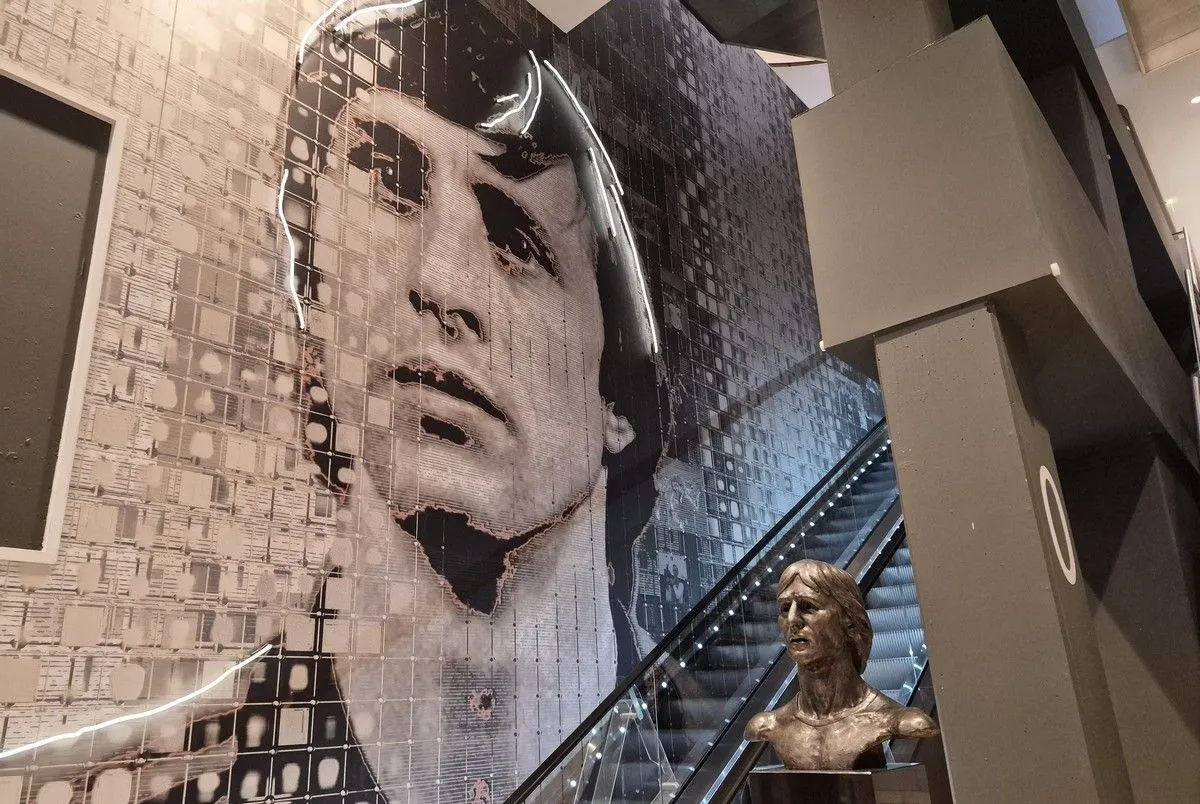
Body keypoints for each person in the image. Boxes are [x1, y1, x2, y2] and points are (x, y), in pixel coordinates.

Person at [156, 1, 669, 802]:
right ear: (314, 301)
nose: (441, 282)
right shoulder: (187, 781)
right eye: (392, 186)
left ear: (618, 399)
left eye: (516, 239)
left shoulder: (683, 750)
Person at [744, 559, 938, 770]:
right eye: (784, 608)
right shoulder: (769, 725)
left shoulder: (897, 720)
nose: (792, 620)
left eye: (808, 607)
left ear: (850, 623)